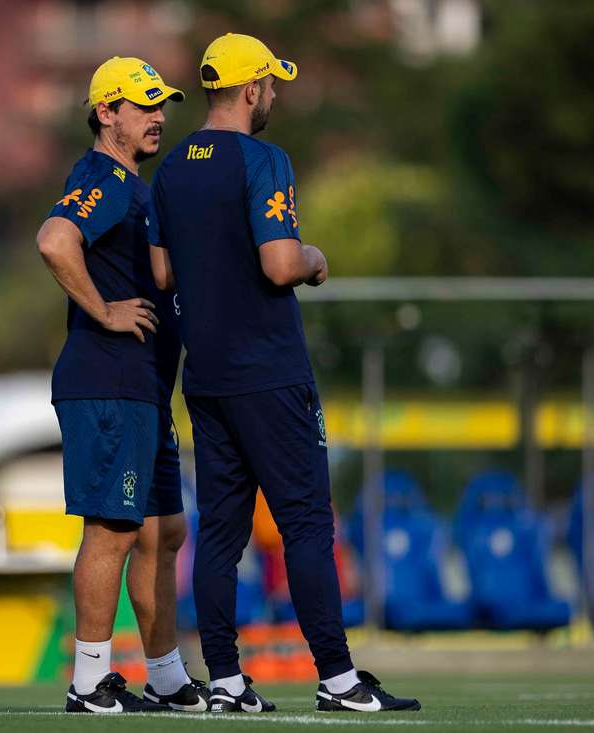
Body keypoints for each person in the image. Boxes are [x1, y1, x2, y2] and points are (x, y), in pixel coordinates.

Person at [148, 33, 421, 714]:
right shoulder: (265, 159)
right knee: (305, 524)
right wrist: (316, 257)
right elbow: (279, 263)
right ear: (249, 90)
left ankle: (228, 682)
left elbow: (159, 273)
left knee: (221, 533)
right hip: (268, 370)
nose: (272, 96)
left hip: (204, 375)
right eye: (270, 85)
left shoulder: (174, 165)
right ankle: (337, 677)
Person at [36, 56, 209, 714]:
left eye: (161, 103)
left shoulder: (135, 186)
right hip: (107, 382)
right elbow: (55, 240)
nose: (158, 115)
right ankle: (90, 681)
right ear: (106, 112)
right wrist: (105, 310)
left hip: (143, 388)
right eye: (143, 104)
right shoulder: (104, 177)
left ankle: (164, 676)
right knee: (111, 529)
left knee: (163, 531)